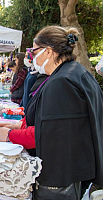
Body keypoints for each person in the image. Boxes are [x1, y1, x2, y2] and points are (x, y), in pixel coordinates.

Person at [28, 25, 102, 199]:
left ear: (48, 51)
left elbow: (52, 136)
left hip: (58, 180)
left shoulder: (60, 82)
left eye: (34, 52)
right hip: (75, 171)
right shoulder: (76, 71)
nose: (32, 58)